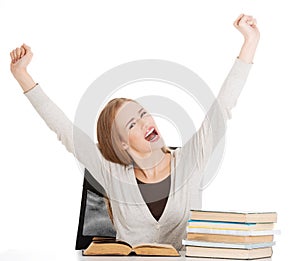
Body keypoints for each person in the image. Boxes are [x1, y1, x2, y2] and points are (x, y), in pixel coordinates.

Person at [10, 14, 260, 250]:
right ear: (123, 145)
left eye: (143, 114)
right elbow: (62, 129)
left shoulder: (190, 161)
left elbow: (223, 106)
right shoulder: (111, 172)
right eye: (131, 125)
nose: (144, 122)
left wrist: (250, 41)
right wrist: (22, 75)